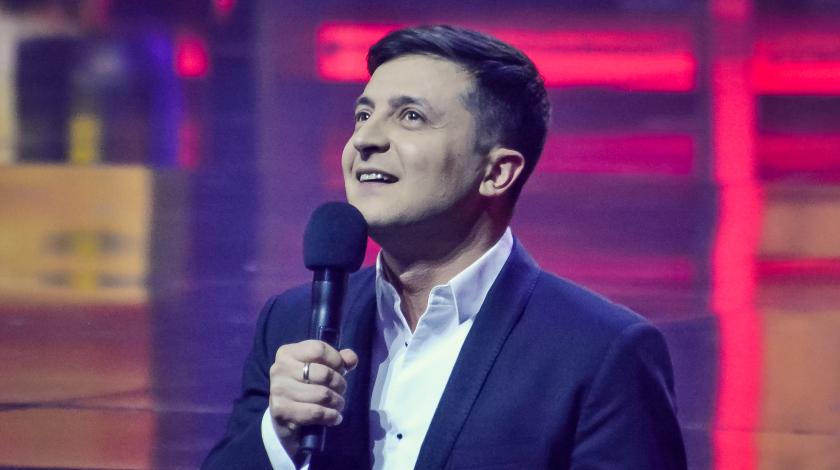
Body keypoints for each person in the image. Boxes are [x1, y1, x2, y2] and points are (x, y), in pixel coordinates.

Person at [203, 25, 687, 470]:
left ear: (497, 172)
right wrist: (280, 436)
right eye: (363, 114)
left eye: (411, 117)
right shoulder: (293, 323)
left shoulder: (600, 352)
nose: (365, 139)